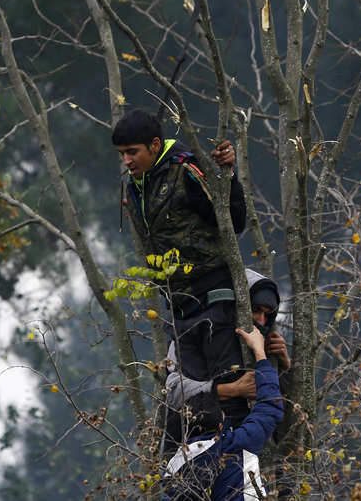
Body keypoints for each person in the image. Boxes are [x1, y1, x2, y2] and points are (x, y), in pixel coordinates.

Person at [113, 109, 247, 413]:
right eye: (122, 154)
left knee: (231, 398)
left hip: (215, 300)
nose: (127, 161)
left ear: (156, 145)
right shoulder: (137, 185)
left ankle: (241, 459)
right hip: (179, 309)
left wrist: (229, 175)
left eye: (132, 152)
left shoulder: (187, 168)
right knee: (195, 407)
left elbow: (234, 220)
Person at [162, 325, 284, 501]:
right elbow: (271, 408)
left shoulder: (172, 469)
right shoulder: (232, 445)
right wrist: (260, 353)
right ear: (220, 426)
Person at [164, 268, 290, 425]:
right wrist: (232, 389)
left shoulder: (264, 343)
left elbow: (284, 404)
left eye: (268, 314)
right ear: (238, 305)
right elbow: (172, 392)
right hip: (198, 439)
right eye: (256, 310)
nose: (262, 321)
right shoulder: (194, 333)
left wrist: (284, 363)